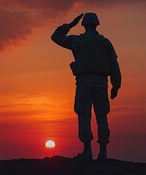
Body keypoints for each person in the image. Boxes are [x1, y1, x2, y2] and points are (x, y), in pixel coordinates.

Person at [51, 12, 121, 160]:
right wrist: (116, 85)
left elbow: (55, 37)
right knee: (102, 116)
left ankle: (87, 151)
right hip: (101, 83)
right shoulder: (105, 42)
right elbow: (114, 64)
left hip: (84, 83)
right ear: (96, 24)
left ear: (83, 25)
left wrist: (69, 25)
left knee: (84, 115)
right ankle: (103, 151)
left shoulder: (77, 41)